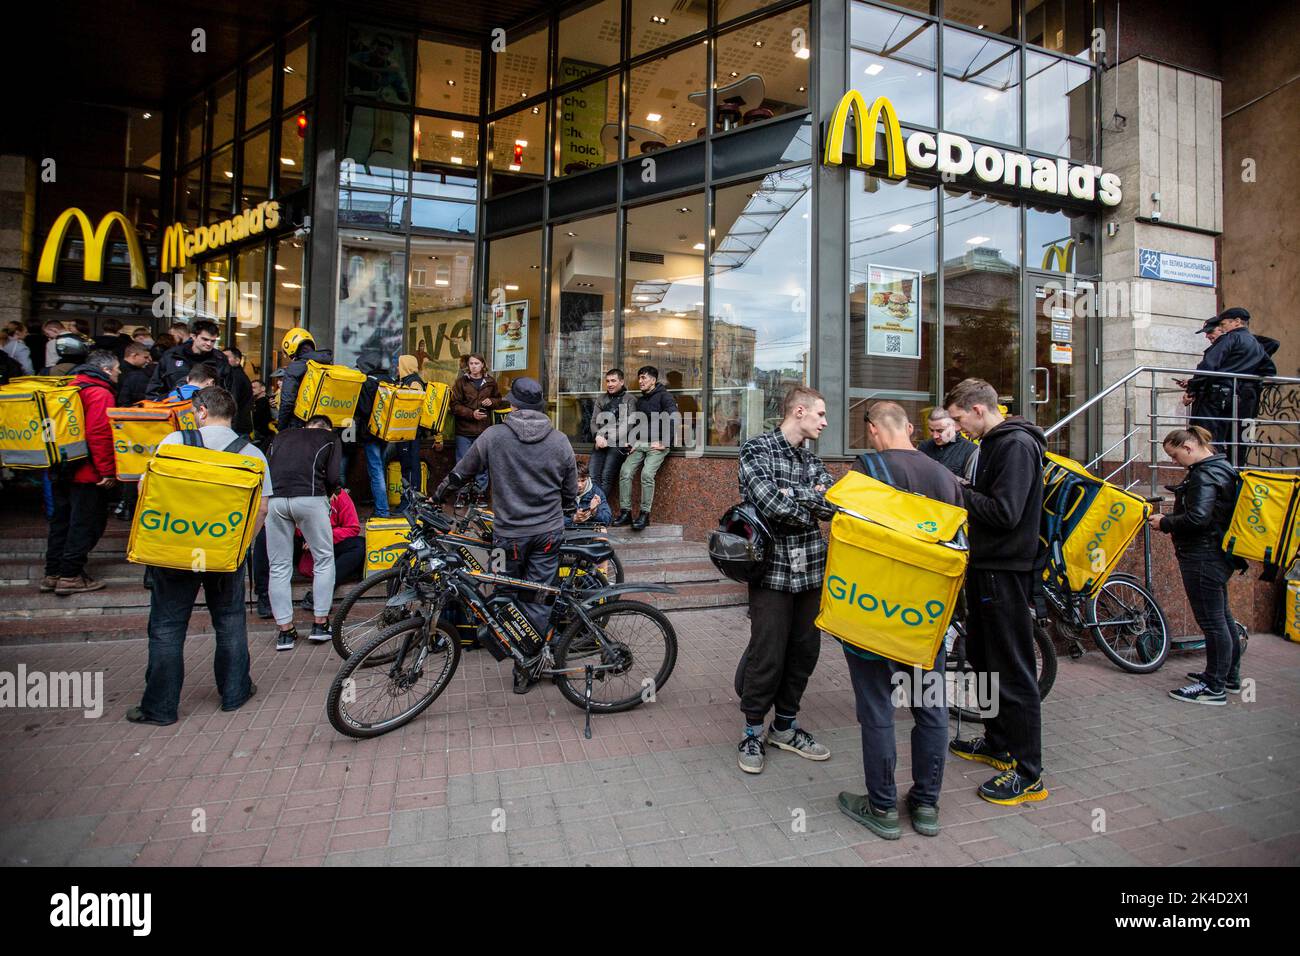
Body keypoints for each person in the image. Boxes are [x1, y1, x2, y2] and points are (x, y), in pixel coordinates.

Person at [837, 401, 965, 839]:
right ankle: (926, 806)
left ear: (873, 429)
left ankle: (883, 807)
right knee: (930, 708)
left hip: (873, 610)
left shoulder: (867, 468)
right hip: (926, 616)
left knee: (877, 709)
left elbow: (847, 532)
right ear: (910, 428)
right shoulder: (946, 477)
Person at [125, 386, 268, 725]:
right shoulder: (251, 453)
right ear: (231, 414)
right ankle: (235, 693)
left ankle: (159, 708)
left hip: (175, 552)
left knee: (167, 627)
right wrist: (242, 545)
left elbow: (146, 488)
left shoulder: (174, 443)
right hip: (223, 553)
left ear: (201, 411)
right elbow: (261, 509)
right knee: (231, 623)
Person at [434, 377, 577, 691]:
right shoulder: (560, 440)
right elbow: (570, 491)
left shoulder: (493, 436)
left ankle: (510, 647)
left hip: (507, 536)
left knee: (501, 595)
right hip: (548, 534)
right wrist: (567, 508)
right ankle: (528, 666)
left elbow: (462, 472)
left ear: (513, 405)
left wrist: (437, 496)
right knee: (539, 597)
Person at [945, 378, 1049, 806]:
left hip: (1004, 572)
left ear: (978, 410)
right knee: (985, 660)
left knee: (1013, 670)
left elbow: (1005, 512)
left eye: (958, 419)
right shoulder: (993, 444)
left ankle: (1028, 775)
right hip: (987, 568)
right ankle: (998, 743)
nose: (959, 429)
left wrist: (960, 492)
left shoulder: (1014, 446)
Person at [735, 385, 835, 775]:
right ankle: (751, 731)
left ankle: (785, 727)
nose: (825, 422)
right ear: (799, 412)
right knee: (768, 652)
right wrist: (806, 500)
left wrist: (797, 496)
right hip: (771, 572)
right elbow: (767, 502)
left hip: (810, 570)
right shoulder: (755, 449)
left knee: (805, 650)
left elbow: (830, 504)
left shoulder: (812, 460)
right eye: (820, 415)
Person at [1150, 426, 1244, 704]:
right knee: (1222, 618)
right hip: (1218, 554)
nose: (1174, 462)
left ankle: (1214, 687)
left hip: (1202, 556)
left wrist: (1165, 522)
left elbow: (1198, 518)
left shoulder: (1204, 474)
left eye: (1175, 455)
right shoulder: (1223, 467)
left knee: (1213, 623)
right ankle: (1229, 677)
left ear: (1189, 448)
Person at [41, 349, 119, 596]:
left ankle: (52, 573)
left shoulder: (71, 387)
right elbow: (99, 434)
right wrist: (107, 471)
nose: (119, 373)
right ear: (106, 370)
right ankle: (71, 575)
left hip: (61, 466)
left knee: (61, 522)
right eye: (117, 369)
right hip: (87, 472)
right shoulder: (100, 393)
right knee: (84, 523)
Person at [265, 414, 344, 650]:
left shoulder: (280, 437)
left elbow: (266, 468)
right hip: (311, 497)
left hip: (275, 500)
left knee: (278, 566)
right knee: (324, 558)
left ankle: (285, 631)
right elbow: (332, 476)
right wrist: (330, 493)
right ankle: (320, 623)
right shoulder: (330, 438)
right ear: (327, 428)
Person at [1179, 308, 1274, 466]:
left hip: (1218, 397)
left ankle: (1211, 476)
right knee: (1235, 441)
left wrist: (1192, 388)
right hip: (1239, 398)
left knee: (1206, 438)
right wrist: (1243, 372)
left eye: (1223, 324)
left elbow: (1208, 367)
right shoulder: (1254, 344)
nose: (1222, 328)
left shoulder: (1230, 339)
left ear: (1237, 321)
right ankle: (1227, 476)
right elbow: (1269, 369)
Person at [614, 365, 678, 532]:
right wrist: (632, 441)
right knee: (625, 472)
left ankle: (644, 515)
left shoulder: (665, 397)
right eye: (639, 378)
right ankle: (626, 512)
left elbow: (674, 418)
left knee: (647, 474)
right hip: (641, 443)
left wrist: (665, 441)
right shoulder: (641, 400)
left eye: (643, 378)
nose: (640, 381)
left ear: (653, 380)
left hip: (658, 444)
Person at [449, 353, 501, 493]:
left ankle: (480, 495)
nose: (473, 366)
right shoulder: (461, 382)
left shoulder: (490, 382)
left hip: (483, 430)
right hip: (464, 430)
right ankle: (462, 494)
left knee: (482, 463)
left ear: (483, 365)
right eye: (471, 363)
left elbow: (498, 399)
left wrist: (492, 401)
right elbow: (454, 405)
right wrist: (472, 414)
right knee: (462, 464)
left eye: (477, 363)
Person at [146, 319, 230, 398]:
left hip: (208, 409)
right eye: (205, 339)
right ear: (193, 336)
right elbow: (155, 388)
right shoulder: (171, 356)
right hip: (174, 407)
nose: (209, 344)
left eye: (213, 341)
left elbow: (228, 390)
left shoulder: (220, 359)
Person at [589, 368, 637, 504]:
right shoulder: (601, 399)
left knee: (606, 477)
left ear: (621, 382)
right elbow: (593, 421)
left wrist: (607, 439)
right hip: (600, 442)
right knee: (592, 476)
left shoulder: (630, 400)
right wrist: (598, 436)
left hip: (618, 445)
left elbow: (628, 425)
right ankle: (595, 508)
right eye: (607, 381)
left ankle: (597, 509)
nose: (610, 384)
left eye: (613, 381)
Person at [354, 355, 394, 517]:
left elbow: (363, 409)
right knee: (380, 467)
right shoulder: (389, 379)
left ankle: (382, 510)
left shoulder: (368, 382)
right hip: (387, 432)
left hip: (371, 433)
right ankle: (382, 504)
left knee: (376, 470)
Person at [275, 327, 333, 432]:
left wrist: (281, 428)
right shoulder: (327, 366)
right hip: (326, 425)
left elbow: (287, 401)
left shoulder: (295, 367)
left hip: (300, 425)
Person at [394, 354, 425, 490]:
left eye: (400, 365)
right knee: (406, 464)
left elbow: (413, 407)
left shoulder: (414, 383)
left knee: (410, 465)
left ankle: (411, 500)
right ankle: (408, 499)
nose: (397, 368)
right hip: (405, 431)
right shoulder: (405, 381)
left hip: (410, 432)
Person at [919, 407, 977, 478]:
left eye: (940, 431)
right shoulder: (924, 446)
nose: (935, 436)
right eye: (931, 430)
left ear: (955, 426)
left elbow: (970, 485)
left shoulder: (970, 450)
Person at [566, 461, 612, 529]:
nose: (579, 485)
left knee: (602, 532)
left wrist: (595, 512)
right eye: (576, 481)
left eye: (583, 480)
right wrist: (573, 519)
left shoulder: (596, 492)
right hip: (567, 531)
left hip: (589, 531)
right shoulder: (563, 492)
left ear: (587, 478)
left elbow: (608, 520)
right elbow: (551, 519)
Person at [223, 346, 254, 437]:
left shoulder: (236, 376)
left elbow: (233, 400)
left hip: (236, 427)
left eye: (227, 357)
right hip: (239, 425)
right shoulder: (235, 375)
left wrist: (229, 425)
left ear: (237, 360)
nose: (223, 360)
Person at [115, 342, 155, 407]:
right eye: (145, 357)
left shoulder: (118, 368)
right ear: (134, 355)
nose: (148, 361)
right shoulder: (121, 371)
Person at [250, 379, 274, 445]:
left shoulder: (264, 402)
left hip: (263, 436)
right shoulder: (259, 402)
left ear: (263, 388)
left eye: (254, 388)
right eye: (251, 388)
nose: (252, 390)